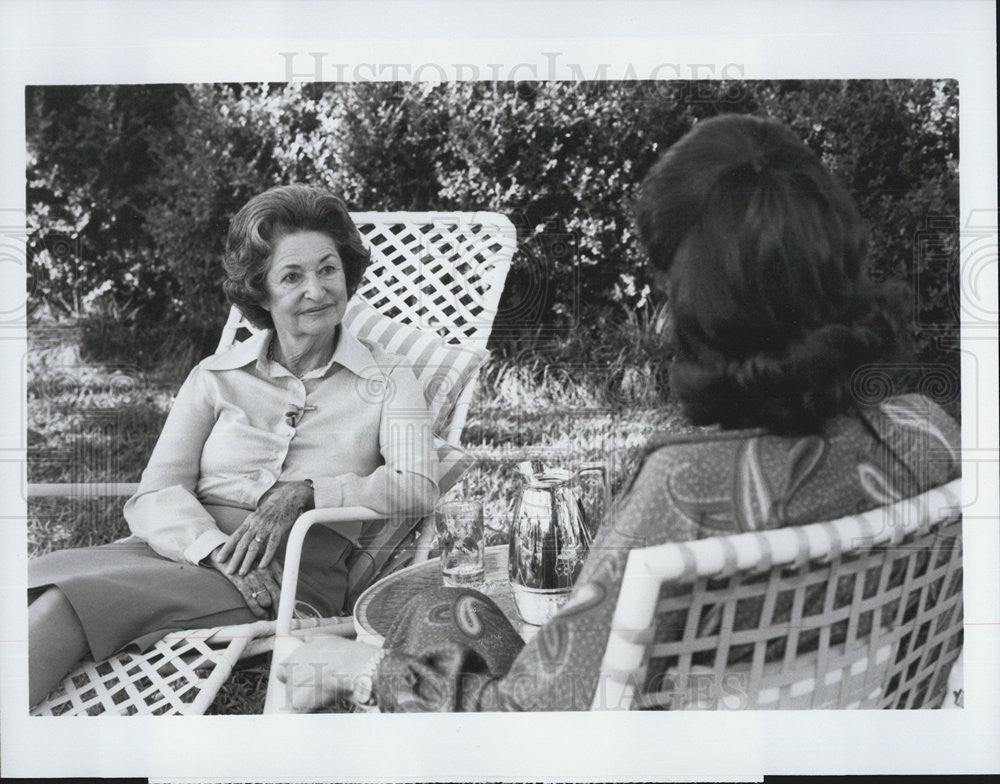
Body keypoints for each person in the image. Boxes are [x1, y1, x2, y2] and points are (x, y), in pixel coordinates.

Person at [277, 114, 961, 713]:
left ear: (699, 301)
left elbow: (533, 727)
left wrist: (361, 672)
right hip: (857, 729)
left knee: (433, 620)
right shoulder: (929, 433)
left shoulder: (684, 491)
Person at [28, 185, 439, 707]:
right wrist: (212, 549)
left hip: (286, 575)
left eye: (328, 269)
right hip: (184, 550)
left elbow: (419, 487)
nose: (316, 289)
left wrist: (310, 492)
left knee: (61, 609)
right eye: (292, 276)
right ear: (261, 292)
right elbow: (156, 493)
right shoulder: (215, 376)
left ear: (347, 274)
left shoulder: (389, 376)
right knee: (29, 588)